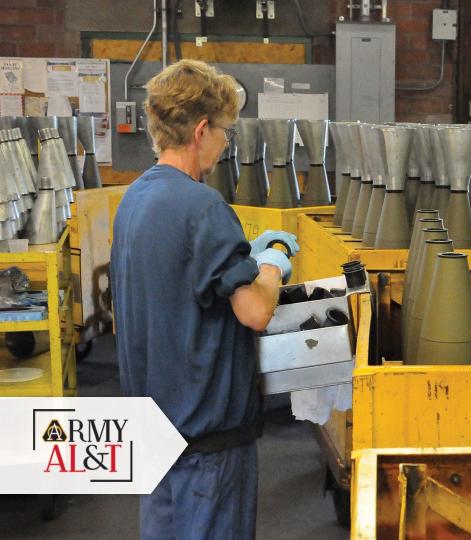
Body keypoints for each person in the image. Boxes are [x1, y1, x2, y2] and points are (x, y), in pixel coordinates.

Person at [111, 59, 299, 539]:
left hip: (154, 438)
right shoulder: (202, 206)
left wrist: (239, 261)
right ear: (201, 130)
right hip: (207, 450)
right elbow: (255, 311)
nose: (225, 143)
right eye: (226, 132)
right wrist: (273, 262)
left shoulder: (132, 201)